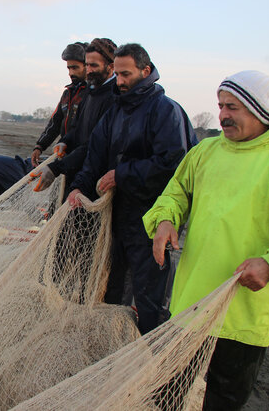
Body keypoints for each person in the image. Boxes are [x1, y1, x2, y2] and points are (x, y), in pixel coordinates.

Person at [143, 70, 269, 409]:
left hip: (245, 311)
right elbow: (176, 193)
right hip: (191, 301)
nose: (222, 115)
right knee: (168, 391)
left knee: (224, 398)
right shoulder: (205, 152)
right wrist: (165, 219)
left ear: (261, 111)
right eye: (220, 106)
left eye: (232, 107)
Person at [67, 43, 196, 334]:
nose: (121, 81)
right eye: (118, 74)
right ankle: (110, 347)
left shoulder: (166, 111)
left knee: (150, 296)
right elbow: (94, 159)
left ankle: (150, 356)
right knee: (111, 290)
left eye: (127, 74)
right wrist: (78, 187)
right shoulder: (113, 113)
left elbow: (173, 164)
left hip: (152, 219)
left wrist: (121, 174)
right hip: (116, 217)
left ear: (146, 71)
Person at [31, 38, 118, 196]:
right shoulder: (88, 91)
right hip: (74, 168)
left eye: (93, 65)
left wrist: (56, 168)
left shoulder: (114, 98)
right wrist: (65, 141)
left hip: (94, 178)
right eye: (87, 65)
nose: (89, 70)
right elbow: (72, 125)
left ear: (111, 67)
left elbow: (95, 144)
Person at [31, 42, 88, 167]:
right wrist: (39, 146)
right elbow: (55, 123)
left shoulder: (91, 95)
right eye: (68, 68)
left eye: (75, 68)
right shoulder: (67, 93)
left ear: (87, 66)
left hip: (82, 157)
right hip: (64, 153)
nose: (70, 73)